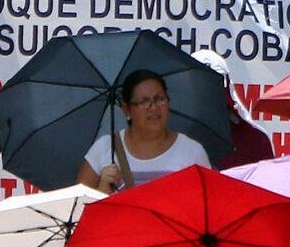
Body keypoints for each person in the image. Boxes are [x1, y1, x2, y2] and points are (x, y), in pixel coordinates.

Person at [79, 70, 214, 191]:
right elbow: (75, 211)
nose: (154, 108)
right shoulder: (105, 149)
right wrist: (102, 189)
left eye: (159, 99)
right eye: (144, 102)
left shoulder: (192, 152)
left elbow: (211, 205)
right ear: (126, 109)